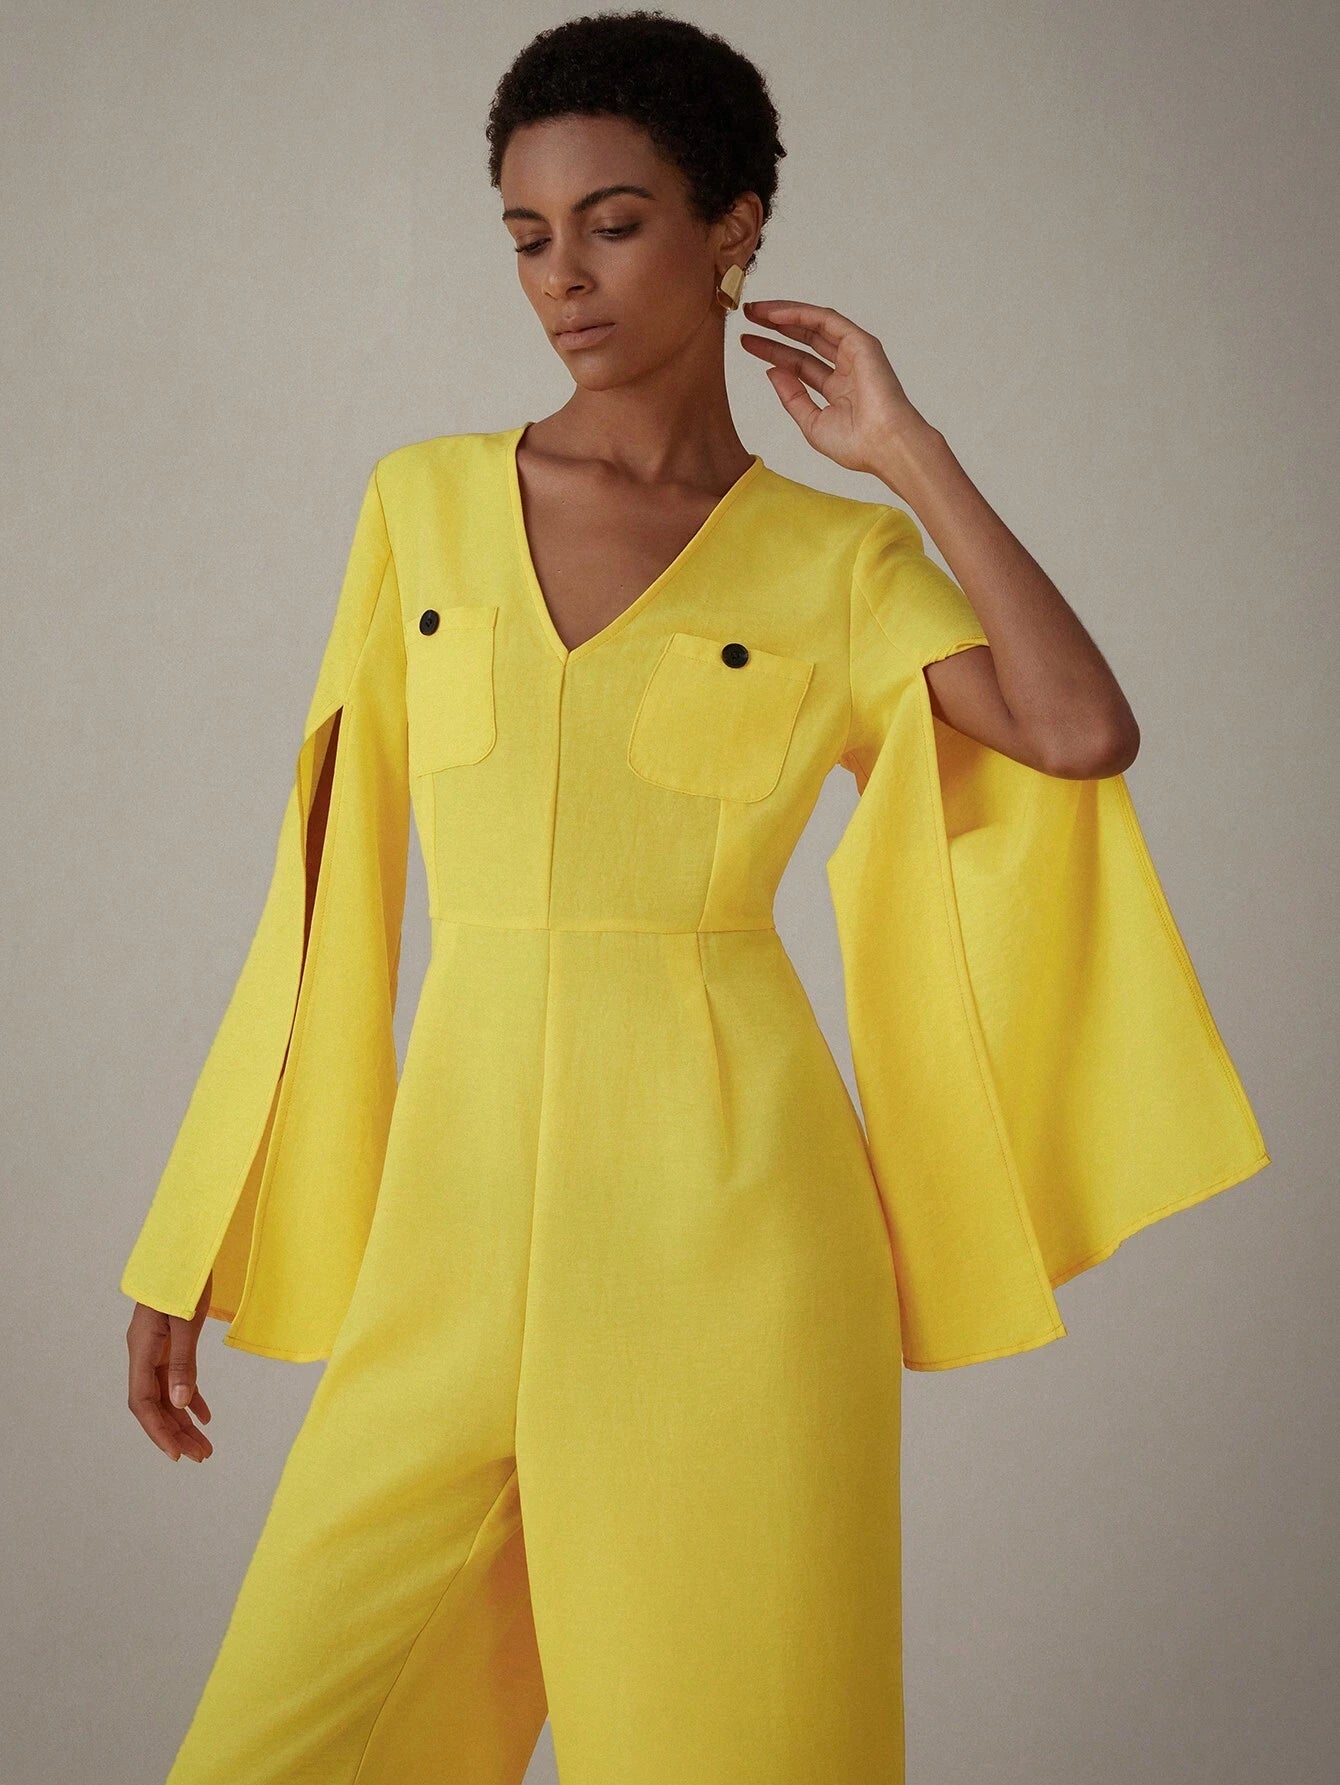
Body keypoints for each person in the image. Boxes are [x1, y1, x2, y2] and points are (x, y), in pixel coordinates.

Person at [120, 11, 1270, 1782]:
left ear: (734, 229)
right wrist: (200, 1217)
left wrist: (906, 451)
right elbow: (320, 882)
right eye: (527, 234)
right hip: (450, 1236)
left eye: (615, 221)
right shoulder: (422, 505)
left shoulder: (836, 559)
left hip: (732, 1240)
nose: (562, 278)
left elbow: (1078, 730)